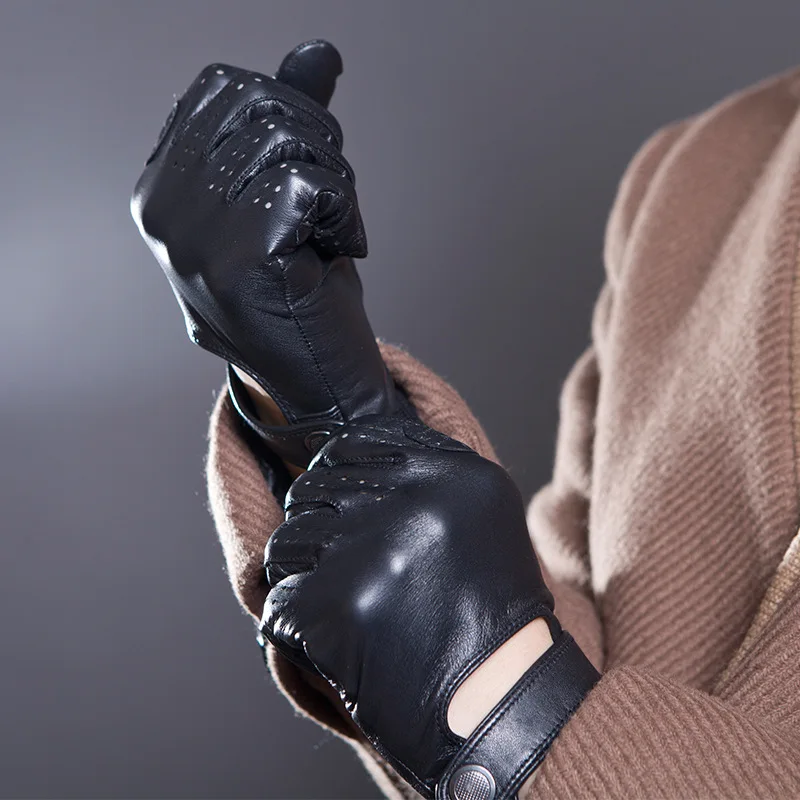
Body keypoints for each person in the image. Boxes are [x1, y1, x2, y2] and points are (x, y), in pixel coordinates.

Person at [131, 40, 800, 800]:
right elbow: (581, 664)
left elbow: (522, 706)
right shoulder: (701, 171)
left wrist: (500, 701)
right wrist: (334, 413)